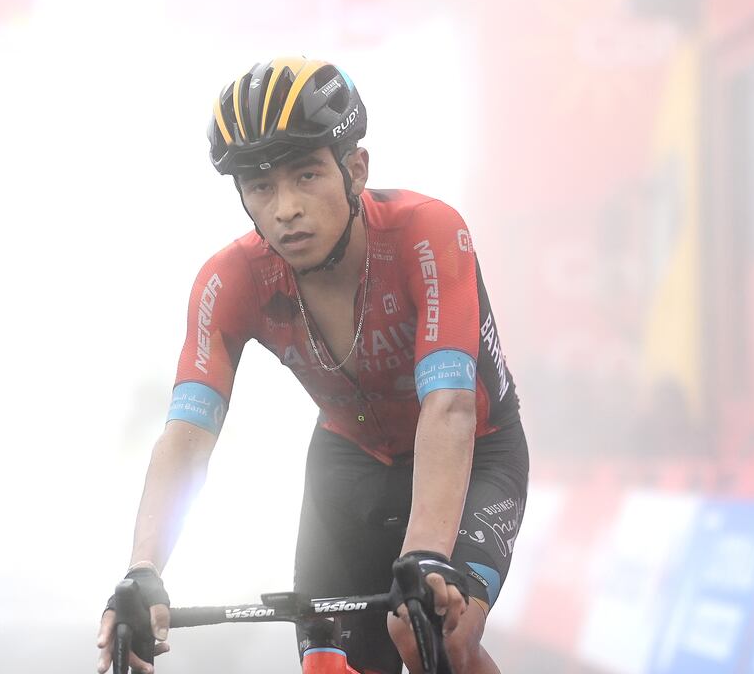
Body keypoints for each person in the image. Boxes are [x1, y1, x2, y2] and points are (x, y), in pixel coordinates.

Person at [95, 57, 528, 674]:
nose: (286, 208)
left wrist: (427, 555)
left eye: (305, 175)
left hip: (476, 452)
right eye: (260, 186)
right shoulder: (232, 279)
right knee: (328, 668)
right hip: (348, 463)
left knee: (438, 638)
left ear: (355, 169)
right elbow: (188, 435)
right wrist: (143, 569)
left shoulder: (427, 233)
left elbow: (451, 404)